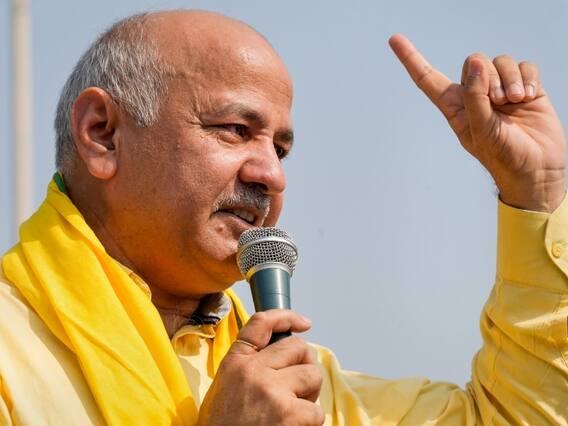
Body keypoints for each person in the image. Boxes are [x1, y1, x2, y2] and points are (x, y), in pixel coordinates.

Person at [0, 9, 566, 425]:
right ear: (102, 134)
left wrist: (534, 190)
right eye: (235, 130)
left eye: (281, 149)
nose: (272, 174)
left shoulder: (297, 389)